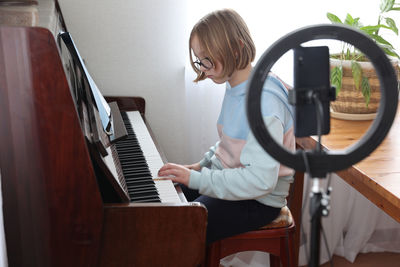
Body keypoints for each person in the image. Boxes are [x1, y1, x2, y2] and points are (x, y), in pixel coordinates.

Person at [158, 8, 295, 244]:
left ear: (235, 48)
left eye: (207, 59)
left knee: (181, 226)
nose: (202, 67)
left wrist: (195, 179)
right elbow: (230, 143)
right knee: (163, 204)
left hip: (258, 200)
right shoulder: (236, 84)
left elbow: (260, 181)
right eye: (199, 59)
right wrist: (199, 167)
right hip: (234, 181)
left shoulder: (264, 103)